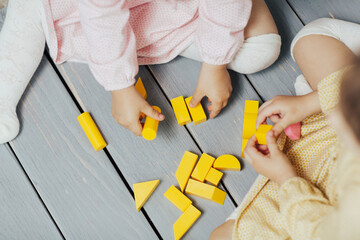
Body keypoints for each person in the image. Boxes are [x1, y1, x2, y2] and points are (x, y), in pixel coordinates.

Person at [0, 0, 281, 144]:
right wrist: (119, 86)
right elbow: (101, 18)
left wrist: (215, 63)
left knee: (262, 50)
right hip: (89, 11)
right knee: (28, 12)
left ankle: (191, 32)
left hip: (179, 8)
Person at [210, 18, 360, 240]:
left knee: (220, 237)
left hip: (311, 217)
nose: (335, 117)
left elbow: (316, 231)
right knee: (310, 41)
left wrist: (285, 178)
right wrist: (310, 102)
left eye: (342, 118)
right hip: (331, 149)